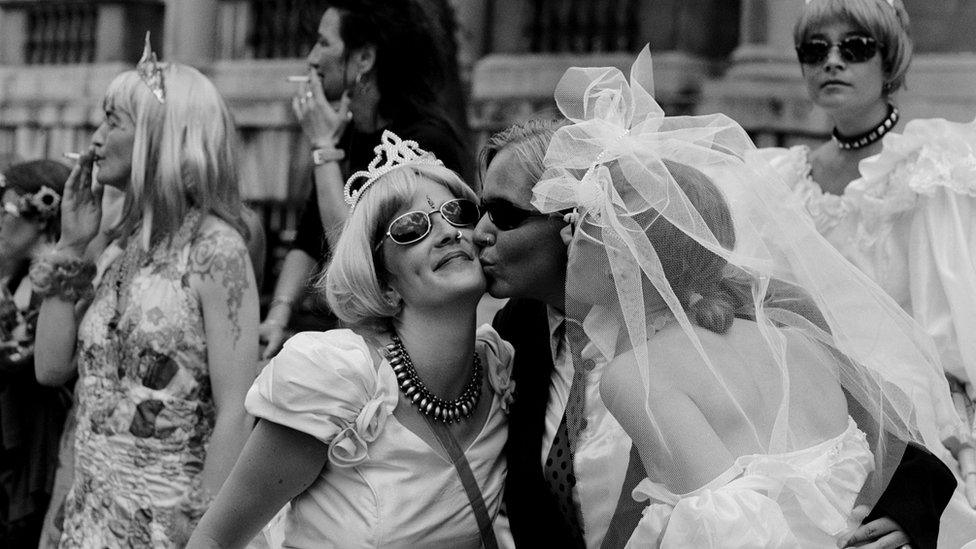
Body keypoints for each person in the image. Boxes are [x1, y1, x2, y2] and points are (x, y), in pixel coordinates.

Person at [475, 75, 956, 549]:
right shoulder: (516, 329)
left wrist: (903, 515)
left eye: (504, 214)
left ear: (584, 218)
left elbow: (888, 436)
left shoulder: (756, 310)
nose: (479, 231)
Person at [188, 132, 513, 548]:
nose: (448, 231)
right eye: (412, 227)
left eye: (457, 211)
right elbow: (215, 539)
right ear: (384, 283)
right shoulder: (336, 383)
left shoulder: (500, 371)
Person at [754, 0, 976, 544]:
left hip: (918, 419)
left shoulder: (930, 166)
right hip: (808, 415)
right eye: (815, 50)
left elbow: (955, 327)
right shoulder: (780, 178)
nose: (832, 62)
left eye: (854, 47)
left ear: (888, 60)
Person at [32, 44, 260, 547]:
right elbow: (50, 368)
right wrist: (71, 243)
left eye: (112, 122)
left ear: (161, 135)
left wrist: (200, 525)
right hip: (89, 517)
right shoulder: (116, 245)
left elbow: (237, 411)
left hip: (167, 526)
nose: (95, 140)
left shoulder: (217, 251)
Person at [260, 0, 473, 359]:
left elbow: (353, 253)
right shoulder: (348, 134)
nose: (312, 59)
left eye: (324, 43)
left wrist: (322, 147)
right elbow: (312, 233)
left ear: (364, 60)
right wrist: (278, 316)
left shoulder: (420, 142)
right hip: (349, 332)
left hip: (403, 344)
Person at [0, 160, 73, 546]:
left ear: (42, 220)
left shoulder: (59, 287)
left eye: (6, 211)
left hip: (39, 447)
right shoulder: (16, 278)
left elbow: (20, 362)